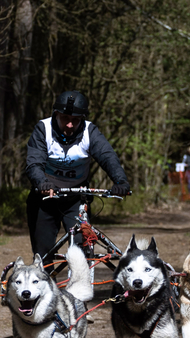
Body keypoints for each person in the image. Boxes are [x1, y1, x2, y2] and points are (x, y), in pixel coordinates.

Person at [25, 90, 131, 259]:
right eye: (65, 118)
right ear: (56, 114)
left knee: (82, 253)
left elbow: (107, 157)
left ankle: (79, 283)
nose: (69, 124)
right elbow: (33, 163)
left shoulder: (90, 131)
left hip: (76, 200)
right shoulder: (42, 129)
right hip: (45, 199)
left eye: (75, 120)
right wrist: (41, 182)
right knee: (43, 257)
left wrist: (121, 181)